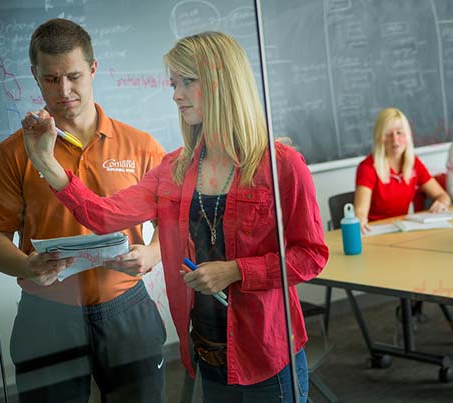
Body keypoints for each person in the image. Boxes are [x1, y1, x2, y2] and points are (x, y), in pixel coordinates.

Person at [22, 31, 328, 403]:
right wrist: (45, 162)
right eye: (173, 83)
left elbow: (310, 256)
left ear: (221, 83)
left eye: (187, 82)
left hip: (268, 351)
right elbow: (103, 215)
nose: (175, 94)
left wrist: (235, 270)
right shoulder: (175, 169)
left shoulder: (281, 165)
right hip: (208, 351)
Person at [0, 18, 166, 402]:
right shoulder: (12, 154)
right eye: (50, 79)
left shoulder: (140, 145)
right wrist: (26, 266)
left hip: (125, 308)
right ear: (35, 75)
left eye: (74, 76)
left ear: (93, 69)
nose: (64, 90)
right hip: (47, 313)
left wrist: (153, 253)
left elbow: (173, 224)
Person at [354, 107, 451, 233]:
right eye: (388, 134)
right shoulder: (367, 168)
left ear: (408, 135)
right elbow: (360, 212)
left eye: (399, 132)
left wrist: (442, 202)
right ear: (379, 138)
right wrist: (360, 218)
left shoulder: (414, 163)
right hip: (374, 232)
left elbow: (442, 195)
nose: (395, 140)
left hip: (400, 230)